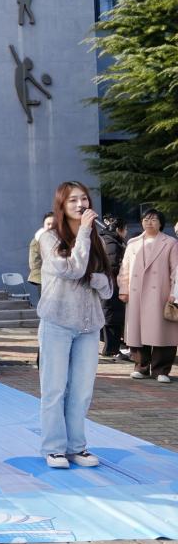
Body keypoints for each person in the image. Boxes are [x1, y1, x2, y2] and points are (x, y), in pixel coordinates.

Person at [36, 181, 112, 469]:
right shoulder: (49, 238)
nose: (81, 205)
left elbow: (108, 289)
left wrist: (100, 280)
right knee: (54, 389)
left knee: (82, 391)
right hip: (57, 322)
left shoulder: (96, 238)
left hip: (89, 326)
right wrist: (84, 233)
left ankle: (77, 447)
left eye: (84, 199)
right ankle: (54, 448)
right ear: (62, 205)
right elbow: (74, 269)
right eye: (73, 200)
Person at [118, 209, 178, 383]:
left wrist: (174, 293)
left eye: (153, 219)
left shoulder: (170, 243)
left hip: (161, 293)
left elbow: (176, 269)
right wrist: (123, 289)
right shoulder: (133, 243)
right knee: (137, 331)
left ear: (161, 223)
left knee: (163, 332)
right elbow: (125, 268)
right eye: (146, 219)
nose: (149, 222)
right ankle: (141, 367)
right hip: (136, 293)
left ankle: (161, 370)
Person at [99, 215, 128, 359]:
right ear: (119, 229)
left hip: (107, 285)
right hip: (112, 285)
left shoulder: (107, 239)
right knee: (112, 317)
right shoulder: (112, 243)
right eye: (125, 229)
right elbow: (112, 266)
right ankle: (111, 349)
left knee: (110, 316)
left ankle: (111, 348)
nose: (126, 232)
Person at [28, 212, 54, 295]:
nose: (51, 226)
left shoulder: (63, 240)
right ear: (44, 225)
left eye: (54, 224)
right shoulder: (37, 241)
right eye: (48, 224)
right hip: (44, 279)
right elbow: (34, 263)